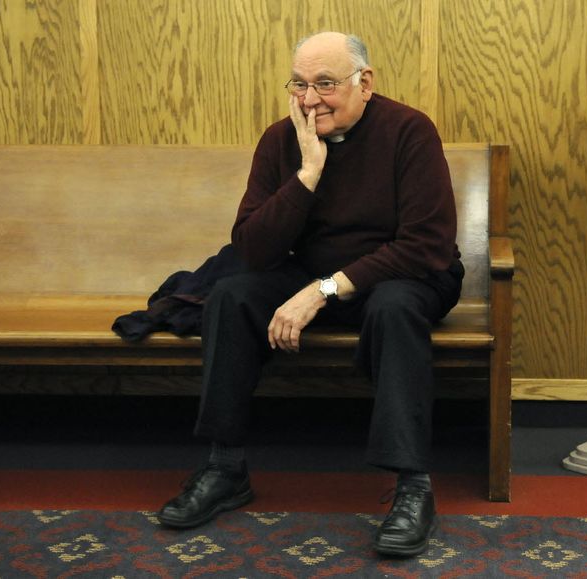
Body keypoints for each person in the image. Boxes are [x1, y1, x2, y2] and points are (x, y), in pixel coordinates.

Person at [157, 31, 463, 558]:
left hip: (405, 276)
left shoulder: (409, 131)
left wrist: (322, 291)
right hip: (312, 275)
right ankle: (224, 465)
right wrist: (308, 173)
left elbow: (425, 244)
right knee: (231, 295)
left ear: (364, 83)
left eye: (325, 84)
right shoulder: (282, 139)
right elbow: (252, 248)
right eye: (299, 85)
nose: (309, 99)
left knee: (393, 308)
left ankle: (413, 486)